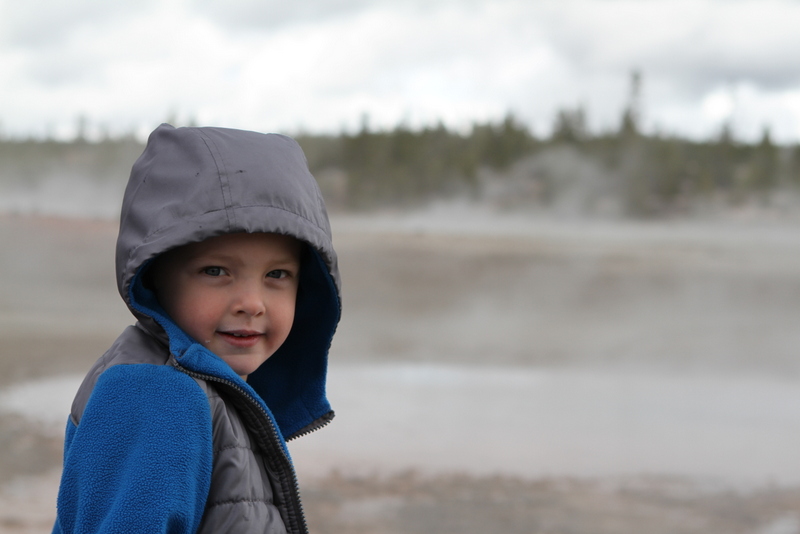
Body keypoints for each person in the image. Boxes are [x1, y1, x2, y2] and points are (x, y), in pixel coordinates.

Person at [52, 124, 342, 534]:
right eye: (216, 271)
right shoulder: (157, 396)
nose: (252, 303)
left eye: (276, 274)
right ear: (155, 275)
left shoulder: (210, 391)